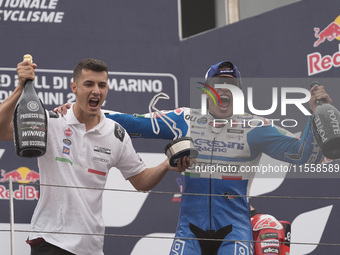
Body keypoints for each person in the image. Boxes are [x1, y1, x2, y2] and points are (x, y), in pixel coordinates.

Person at [56, 61, 331, 255]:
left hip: (234, 230)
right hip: (190, 230)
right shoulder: (185, 119)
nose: (224, 90)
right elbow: (133, 123)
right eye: (218, 84)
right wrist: (78, 109)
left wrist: (315, 116)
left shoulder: (255, 128)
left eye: (231, 86)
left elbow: (301, 154)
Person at [0, 57, 191, 255]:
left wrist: (166, 165)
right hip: (50, 240)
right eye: (88, 84)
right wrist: (20, 88)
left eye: (102, 85)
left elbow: (141, 181)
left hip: (91, 248)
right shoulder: (53, 122)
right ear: (74, 87)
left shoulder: (116, 134)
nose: (96, 91)